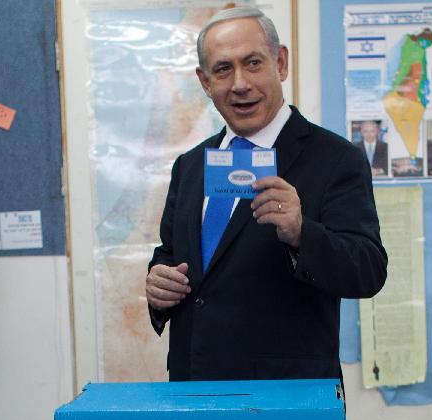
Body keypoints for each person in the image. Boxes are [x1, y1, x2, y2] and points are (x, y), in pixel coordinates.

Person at [145, 7, 387, 381]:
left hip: (286, 400)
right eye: (223, 69)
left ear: (281, 63)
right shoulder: (190, 166)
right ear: (205, 82)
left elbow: (368, 270)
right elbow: (172, 257)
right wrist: (159, 284)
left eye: (253, 63)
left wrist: (301, 233)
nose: (240, 83)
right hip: (194, 391)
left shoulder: (337, 159)